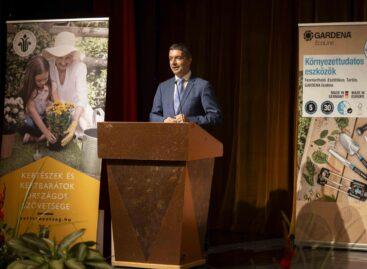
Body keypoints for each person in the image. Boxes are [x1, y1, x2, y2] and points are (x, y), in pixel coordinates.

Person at [150, 43, 222, 126]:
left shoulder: (202, 86)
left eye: (178, 58)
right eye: (170, 58)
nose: (173, 63)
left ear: (189, 60)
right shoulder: (163, 87)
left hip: (192, 138)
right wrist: (164, 120)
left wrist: (189, 120)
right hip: (167, 138)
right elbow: (153, 116)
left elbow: (215, 117)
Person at [42, 31, 94, 146]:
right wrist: (60, 114)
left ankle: (74, 129)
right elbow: (54, 91)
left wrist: (74, 122)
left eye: (68, 58)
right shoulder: (50, 65)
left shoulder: (80, 67)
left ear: (73, 56)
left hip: (76, 108)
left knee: (83, 125)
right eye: (60, 57)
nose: (64, 62)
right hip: (58, 106)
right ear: (54, 55)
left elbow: (82, 98)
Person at [20, 55, 59, 144]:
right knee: (26, 124)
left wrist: (51, 126)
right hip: (33, 118)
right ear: (31, 77)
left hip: (45, 118)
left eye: (45, 78)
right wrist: (46, 132)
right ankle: (39, 137)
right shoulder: (31, 90)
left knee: (59, 120)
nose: (43, 82)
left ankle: (35, 138)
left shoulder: (52, 86)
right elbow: (33, 112)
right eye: (39, 80)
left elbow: (58, 106)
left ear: (48, 73)